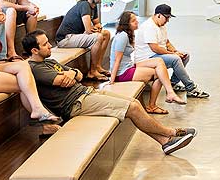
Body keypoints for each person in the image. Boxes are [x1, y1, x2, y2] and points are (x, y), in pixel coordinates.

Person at [26, 30, 197, 155]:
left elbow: (77, 74)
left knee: (135, 103)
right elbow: (60, 81)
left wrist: (71, 74)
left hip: (85, 92)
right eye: (44, 44)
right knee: (133, 108)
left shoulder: (50, 61)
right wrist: (70, 75)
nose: (50, 45)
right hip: (76, 104)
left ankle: (165, 142)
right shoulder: (35, 68)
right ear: (34, 50)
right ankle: (171, 133)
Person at [111, 11, 186, 111]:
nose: (137, 22)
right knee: (159, 75)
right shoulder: (123, 37)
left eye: (136, 20)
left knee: (159, 62)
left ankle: (169, 93)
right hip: (122, 73)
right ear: (126, 24)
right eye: (133, 21)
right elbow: (117, 60)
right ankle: (153, 105)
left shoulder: (128, 34)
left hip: (129, 66)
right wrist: (112, 81)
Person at [133, 5, 210, 98]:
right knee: (175, 59)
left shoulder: (161, 26)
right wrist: (173, 54)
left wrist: (176, 51)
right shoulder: (149, 27)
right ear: (158, 15)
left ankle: (173, 83)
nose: (168, 20)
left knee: (185, 56)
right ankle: (191, 88)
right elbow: (155, 48)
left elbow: (167, 42)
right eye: (167, 17)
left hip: (157, 55)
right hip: (147, 58)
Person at [56, 0, 111, 80]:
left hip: (76, 36)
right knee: (98, 37)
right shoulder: (84, 5)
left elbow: (97, 24)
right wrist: (95, 29)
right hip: (65, 39)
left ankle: (97, 66)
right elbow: (89, 30)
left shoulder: (93, 7)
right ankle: (92, 72)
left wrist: (97, 28)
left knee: (106, 34)